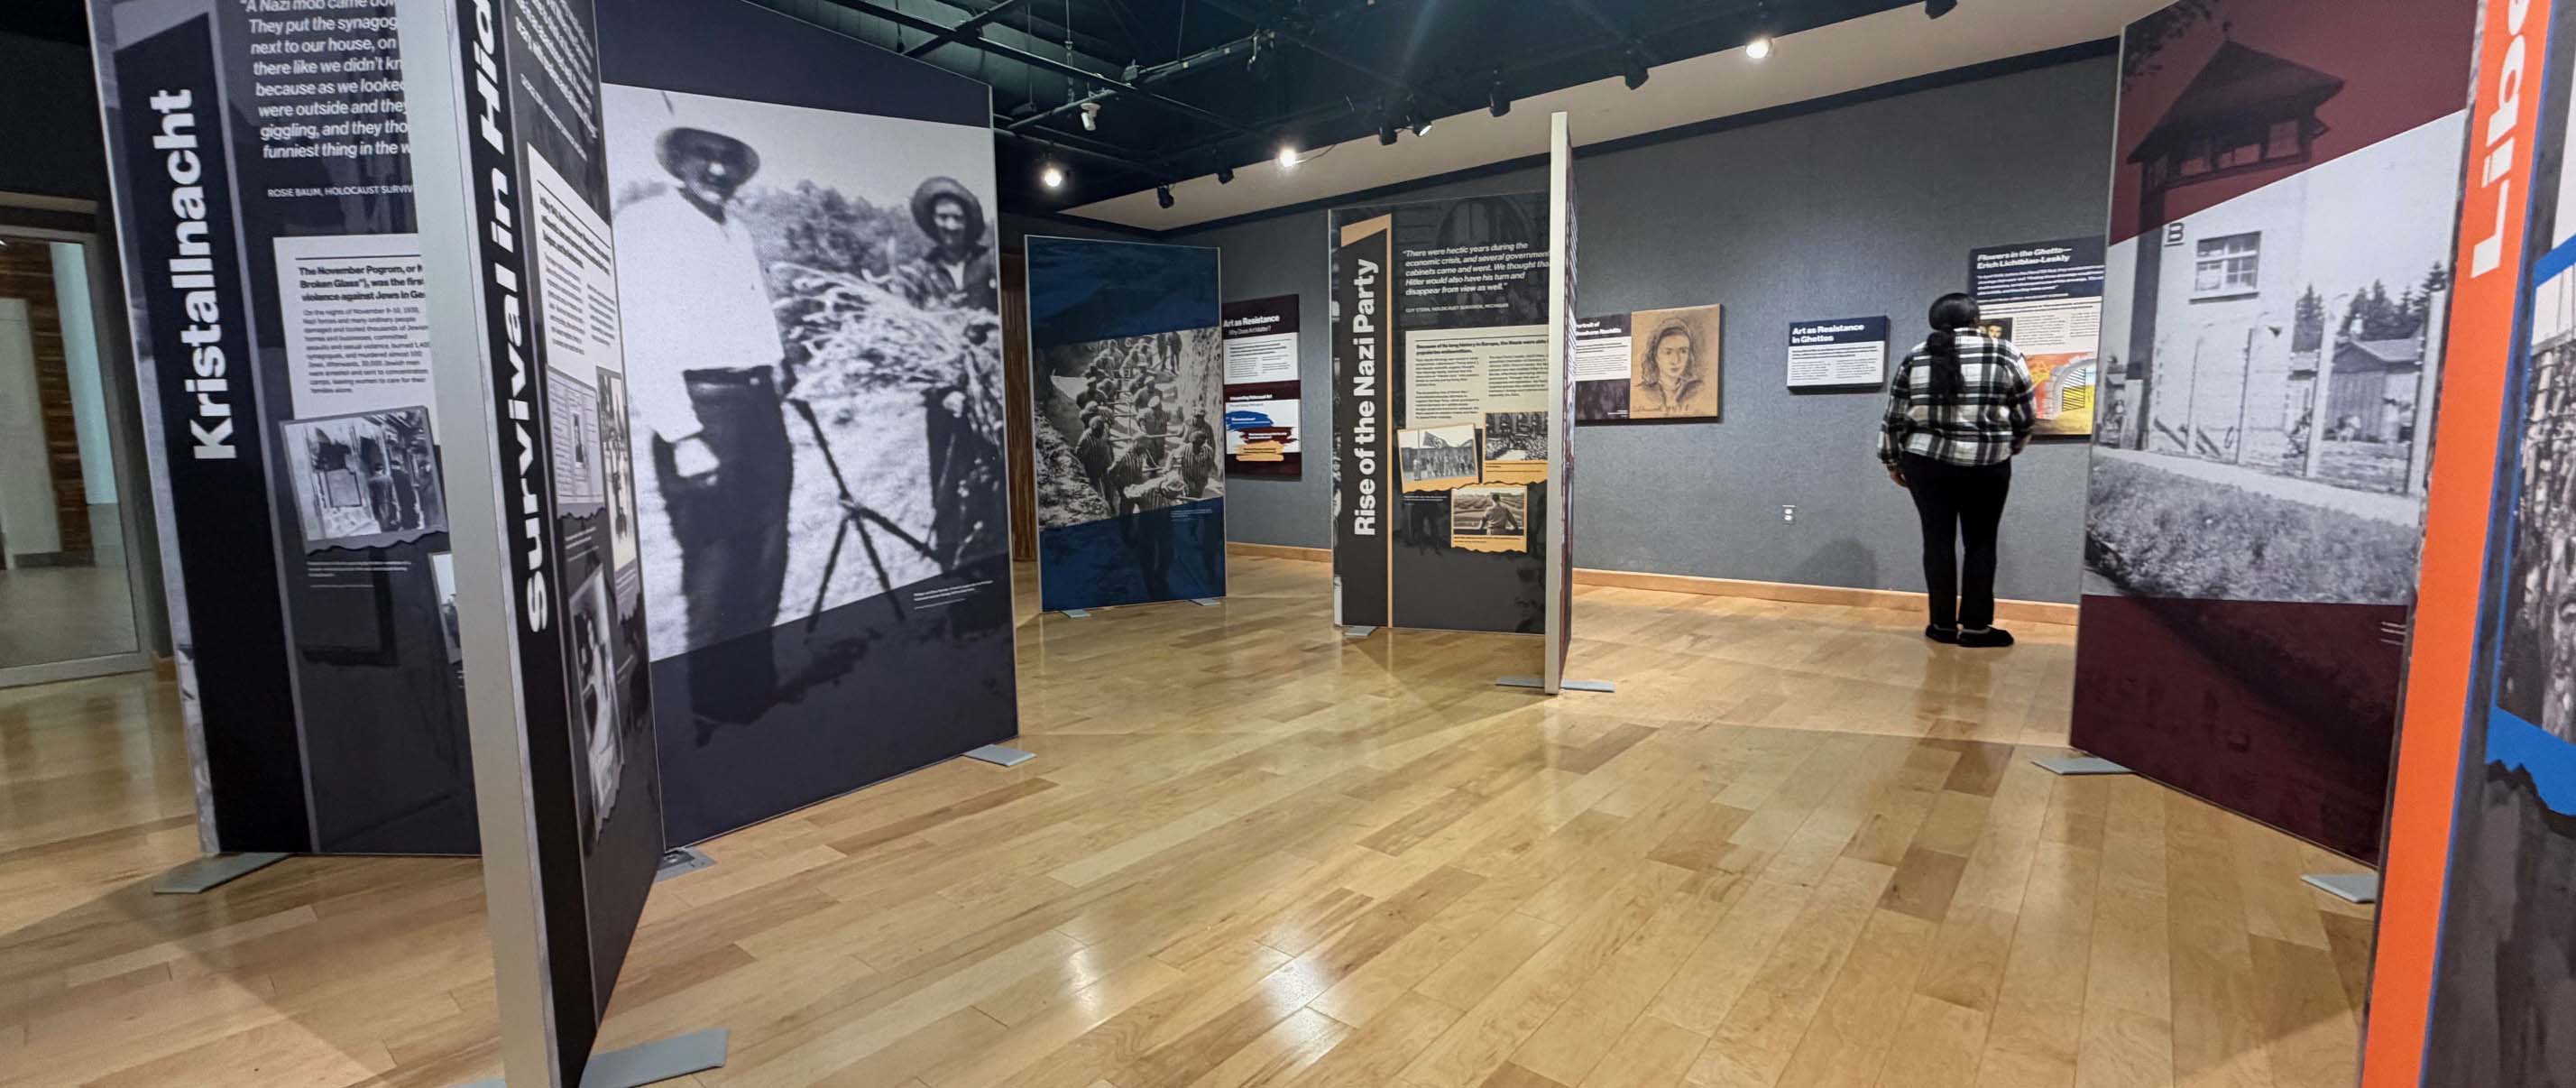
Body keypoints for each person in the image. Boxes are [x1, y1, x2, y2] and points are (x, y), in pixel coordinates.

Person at [612, 124, 795, 724]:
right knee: (716, 559)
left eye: (727, 159)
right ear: (680, 160)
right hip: (702, 410)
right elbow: (641, 338)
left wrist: (778, 370)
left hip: (758, 407)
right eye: (704, 155)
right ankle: (714, 709)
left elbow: (754, 316)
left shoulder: (735, 230)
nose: (717, 170)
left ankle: (754, 694)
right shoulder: (645, 224)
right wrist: (684, 434)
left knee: (766, 550)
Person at [1880, 292, 2035, 648]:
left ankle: (1942, 626)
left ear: (1935, 322)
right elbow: (2026, 415)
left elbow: (1894, 416)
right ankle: (1977, 629)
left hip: (1925, 463)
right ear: (1975, 319)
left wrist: (1891, 461)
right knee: (1981, 543)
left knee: (1937, 541)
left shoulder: (1916, 356)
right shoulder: (2005, 352)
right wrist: (2012, 445)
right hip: (1988, 464)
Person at [897, 177, 998, 311]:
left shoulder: (991, 261)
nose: (951, 226)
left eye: (958, 218)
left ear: (967, 222)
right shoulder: (920, 271)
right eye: (943, 217)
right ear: (933, 220)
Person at [1631, 318, 1716, 418]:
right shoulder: (1639, 393)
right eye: (1668, 352)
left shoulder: (1700, 390)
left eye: (1683, 351)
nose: (1676, 360)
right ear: (1655, 355)